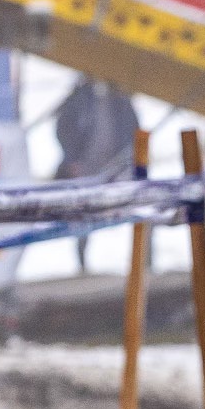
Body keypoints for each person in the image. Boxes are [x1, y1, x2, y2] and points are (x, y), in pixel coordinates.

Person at [53, 77, 140, 272]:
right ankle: (82, 265)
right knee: (84, 214)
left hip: (117, 166)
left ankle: (145, 262)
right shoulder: (80, 97)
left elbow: (134, 130)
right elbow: (63, 127)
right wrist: (72, 160)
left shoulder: (121, 99)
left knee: (143, 207)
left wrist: (129, 161)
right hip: (85, 167)